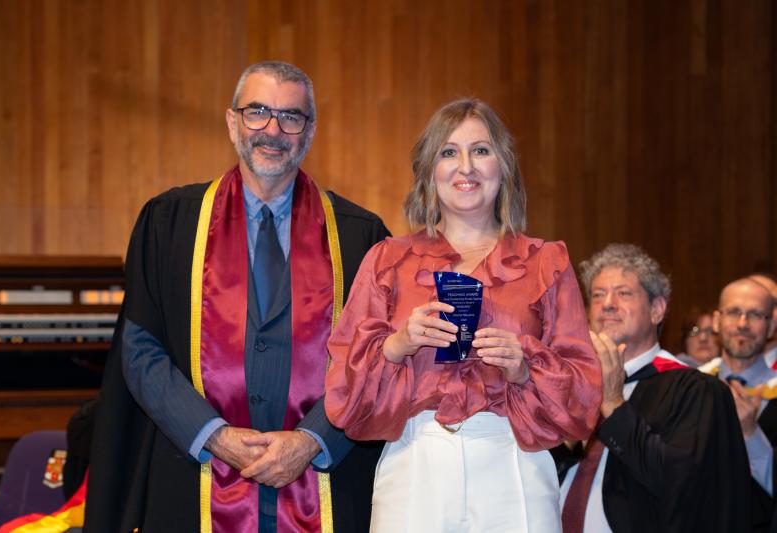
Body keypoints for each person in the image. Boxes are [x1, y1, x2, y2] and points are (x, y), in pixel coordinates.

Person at [84, 61, 390, 533]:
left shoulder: (360, 237)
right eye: (258, 111)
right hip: (195, 479)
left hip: (323, 481)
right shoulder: (169, 224)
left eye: (291, 117)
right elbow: (140, 350)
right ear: (232, 122)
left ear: (309, 132)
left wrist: (312, 440)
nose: (273, 129)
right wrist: (214, 436)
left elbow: (377, 363)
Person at [324, 98, 602, 532]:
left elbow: (584, 396)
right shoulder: (388, 261)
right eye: (448, 152)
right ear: (429, 171)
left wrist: (524, 366)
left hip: (515, 462)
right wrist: (398, 345)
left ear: (503, 165)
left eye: (482, 150)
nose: (466, 166)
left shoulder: (547, 262)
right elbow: (343, 392)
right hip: (416, 463)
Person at [556, 243, 751, 533]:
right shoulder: (572, 387)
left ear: (657, 309)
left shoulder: (696, 390)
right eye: (597, 295)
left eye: (623, 293)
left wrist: (613, 404)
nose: (607, 303)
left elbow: (685, 487)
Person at [702, 278, 777, 531]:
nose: (742, 324)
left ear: (771, 326)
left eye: (755, 314)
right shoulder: (690, 386)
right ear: (716, 320)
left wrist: (750, 434)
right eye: (734, 312)